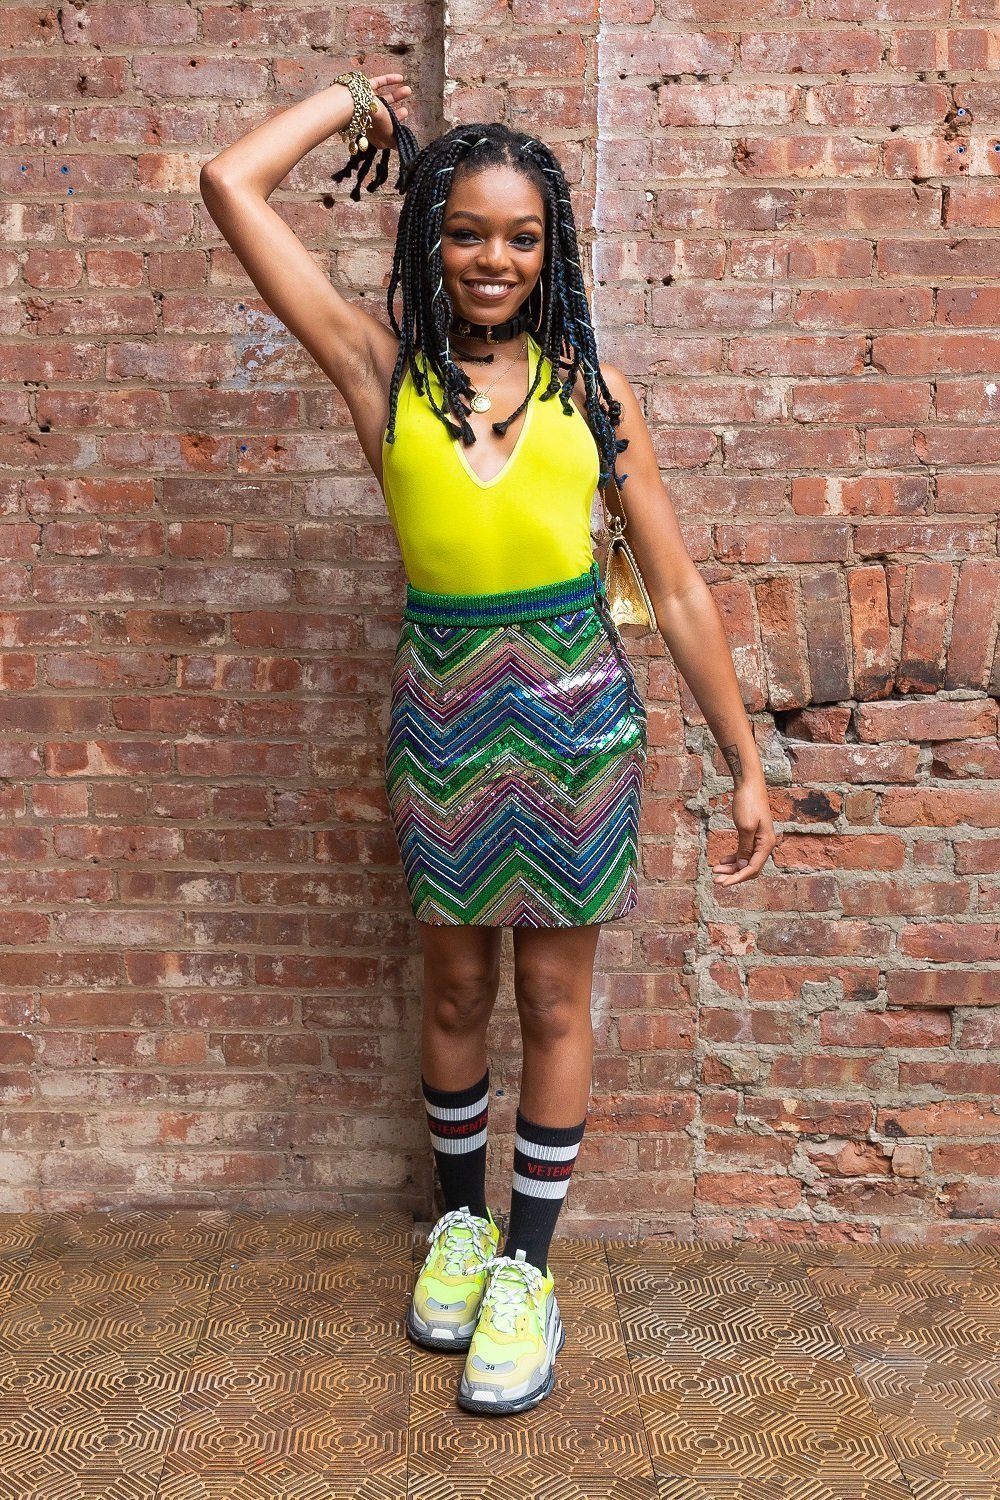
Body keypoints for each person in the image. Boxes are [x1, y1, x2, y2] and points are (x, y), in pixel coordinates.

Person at [200, 68, 779, 1417]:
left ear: (551, 248)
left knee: (555, 1005)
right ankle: (460, 1229)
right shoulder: (380, 372)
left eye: (522, 236)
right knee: (456, 994)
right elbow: (230, 185)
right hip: (444, 717)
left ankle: (528, 1268)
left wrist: (748, 763)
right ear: (429, 235)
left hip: (579, 725)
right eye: (466, 231)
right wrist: (351, 101)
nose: (494, 259)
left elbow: (678, 590)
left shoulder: (596, 395)